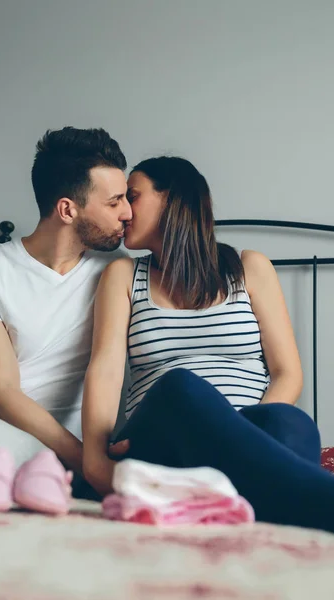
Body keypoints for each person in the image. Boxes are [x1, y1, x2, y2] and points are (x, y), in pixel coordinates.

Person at [82, 155, 334, 532]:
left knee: (290, 420)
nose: (125, 210)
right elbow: (105, 371)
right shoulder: (122, 275)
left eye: (132, 195)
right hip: (166, 436)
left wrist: (240, 434)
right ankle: (318, 500)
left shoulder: (250, 267)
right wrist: (95, 458)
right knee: (180, 386)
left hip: (252, 429)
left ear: (171, 198)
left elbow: (287, 373)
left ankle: (247, 503)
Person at [0, 126, 131, 489]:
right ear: (67, 209)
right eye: (114, 202)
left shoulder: (117, 271)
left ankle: (14, 479)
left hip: (71, 447)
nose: (127, 213)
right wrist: (88, 462)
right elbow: (0, 392)